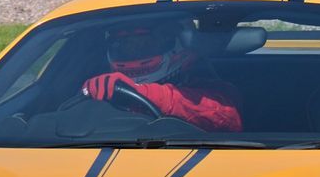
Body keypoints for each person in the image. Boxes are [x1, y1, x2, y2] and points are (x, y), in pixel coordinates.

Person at [81, 18, 243, 131]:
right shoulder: (104, 89)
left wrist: (146, 94)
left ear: (178, 45)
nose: (133, 52)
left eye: (145, 44)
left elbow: (228, 119)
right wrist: (89, 93)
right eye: (124, 46)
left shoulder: (210, 88)